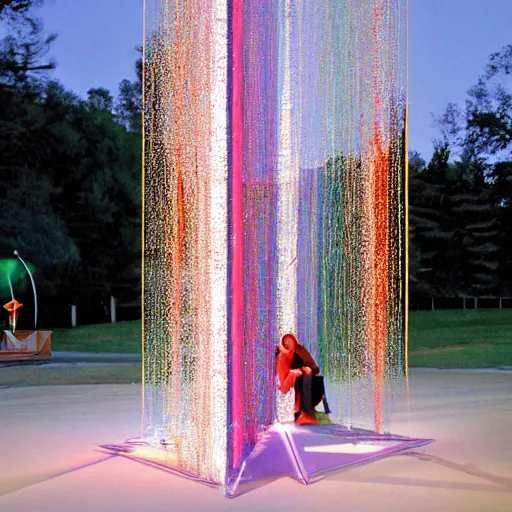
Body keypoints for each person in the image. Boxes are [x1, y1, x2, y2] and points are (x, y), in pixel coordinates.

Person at [276, 333, 327, 426]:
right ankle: (301, 415)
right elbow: (283, 389)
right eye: (286, 345)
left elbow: (315, 368)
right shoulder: (282, 359)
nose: (290, 348)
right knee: (301, 378)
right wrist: (292, 374)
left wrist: (305, 369)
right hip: (296, 394)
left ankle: (306, 413)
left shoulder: (300, 350)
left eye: (291, 344)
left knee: (311, 378)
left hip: (309, 388)